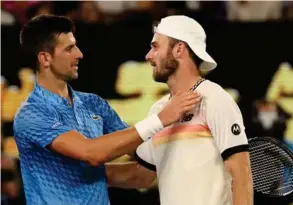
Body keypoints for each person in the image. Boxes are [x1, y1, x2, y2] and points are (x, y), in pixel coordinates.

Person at [13, 14, 201, 205]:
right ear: (45, 58)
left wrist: (191, 144)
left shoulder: (93, 104)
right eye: (69, 48)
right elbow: (91, 153)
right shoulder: (31, 114)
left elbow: (144, 162)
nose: (79, 54)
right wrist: (160, 119)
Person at [135, 15, 254, 205]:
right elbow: (141, 176)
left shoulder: (213, 98)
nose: (149, 55)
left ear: (179, 49)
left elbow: (241, 173)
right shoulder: (158, 111)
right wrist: (80, 172)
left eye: (156, 46)